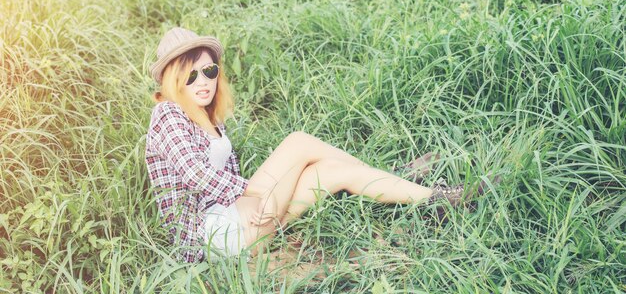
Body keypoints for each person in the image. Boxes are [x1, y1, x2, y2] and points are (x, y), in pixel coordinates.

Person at [144, 27, 495, 263]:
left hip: (239, 222)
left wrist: (248, 197)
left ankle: (436, 198)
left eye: (209, 71)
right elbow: (194, 174)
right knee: (298, 142)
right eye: (190, 75)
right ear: (173, 80)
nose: (203, 81)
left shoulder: (208, 116)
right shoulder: (168, 113)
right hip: (211, 236)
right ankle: (390, 177)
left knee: (330, 171)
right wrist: (250, 194)